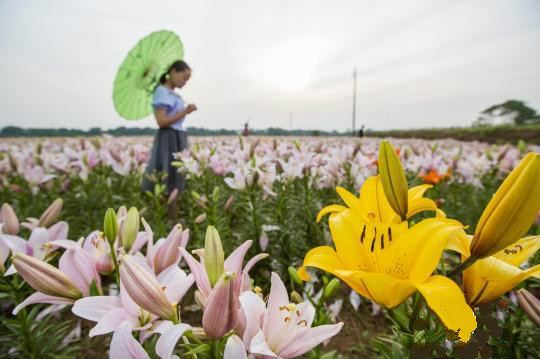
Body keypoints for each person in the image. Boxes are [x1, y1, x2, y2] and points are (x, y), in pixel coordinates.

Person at [141, 60, 197, 196]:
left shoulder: (174, 94)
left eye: (187, 80)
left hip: (178, 136)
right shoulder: (161, 91)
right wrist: (185, 112)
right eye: (184, 78)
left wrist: (185, 109)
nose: (185, 82)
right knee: (168, 179)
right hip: (168, 137)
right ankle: (169, 216)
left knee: (175, 181)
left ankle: (174, 216)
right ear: (173, 72)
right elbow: (161, 121)